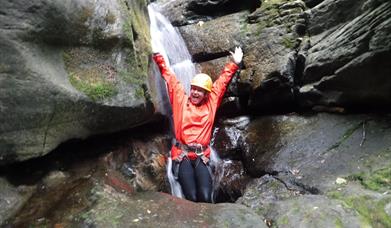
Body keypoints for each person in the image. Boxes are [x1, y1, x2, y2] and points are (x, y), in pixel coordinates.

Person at [153, 47, 243, 203]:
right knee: (192, 198)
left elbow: (222, 83)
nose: (195, 92)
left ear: (206, 94)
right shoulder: (180, 100)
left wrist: (234, 63)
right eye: (193, 89)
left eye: (200, 91)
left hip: (202, 156)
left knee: (206, 197)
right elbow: (170, 77)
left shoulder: (211, 103)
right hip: (183, 156)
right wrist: (158, 56)